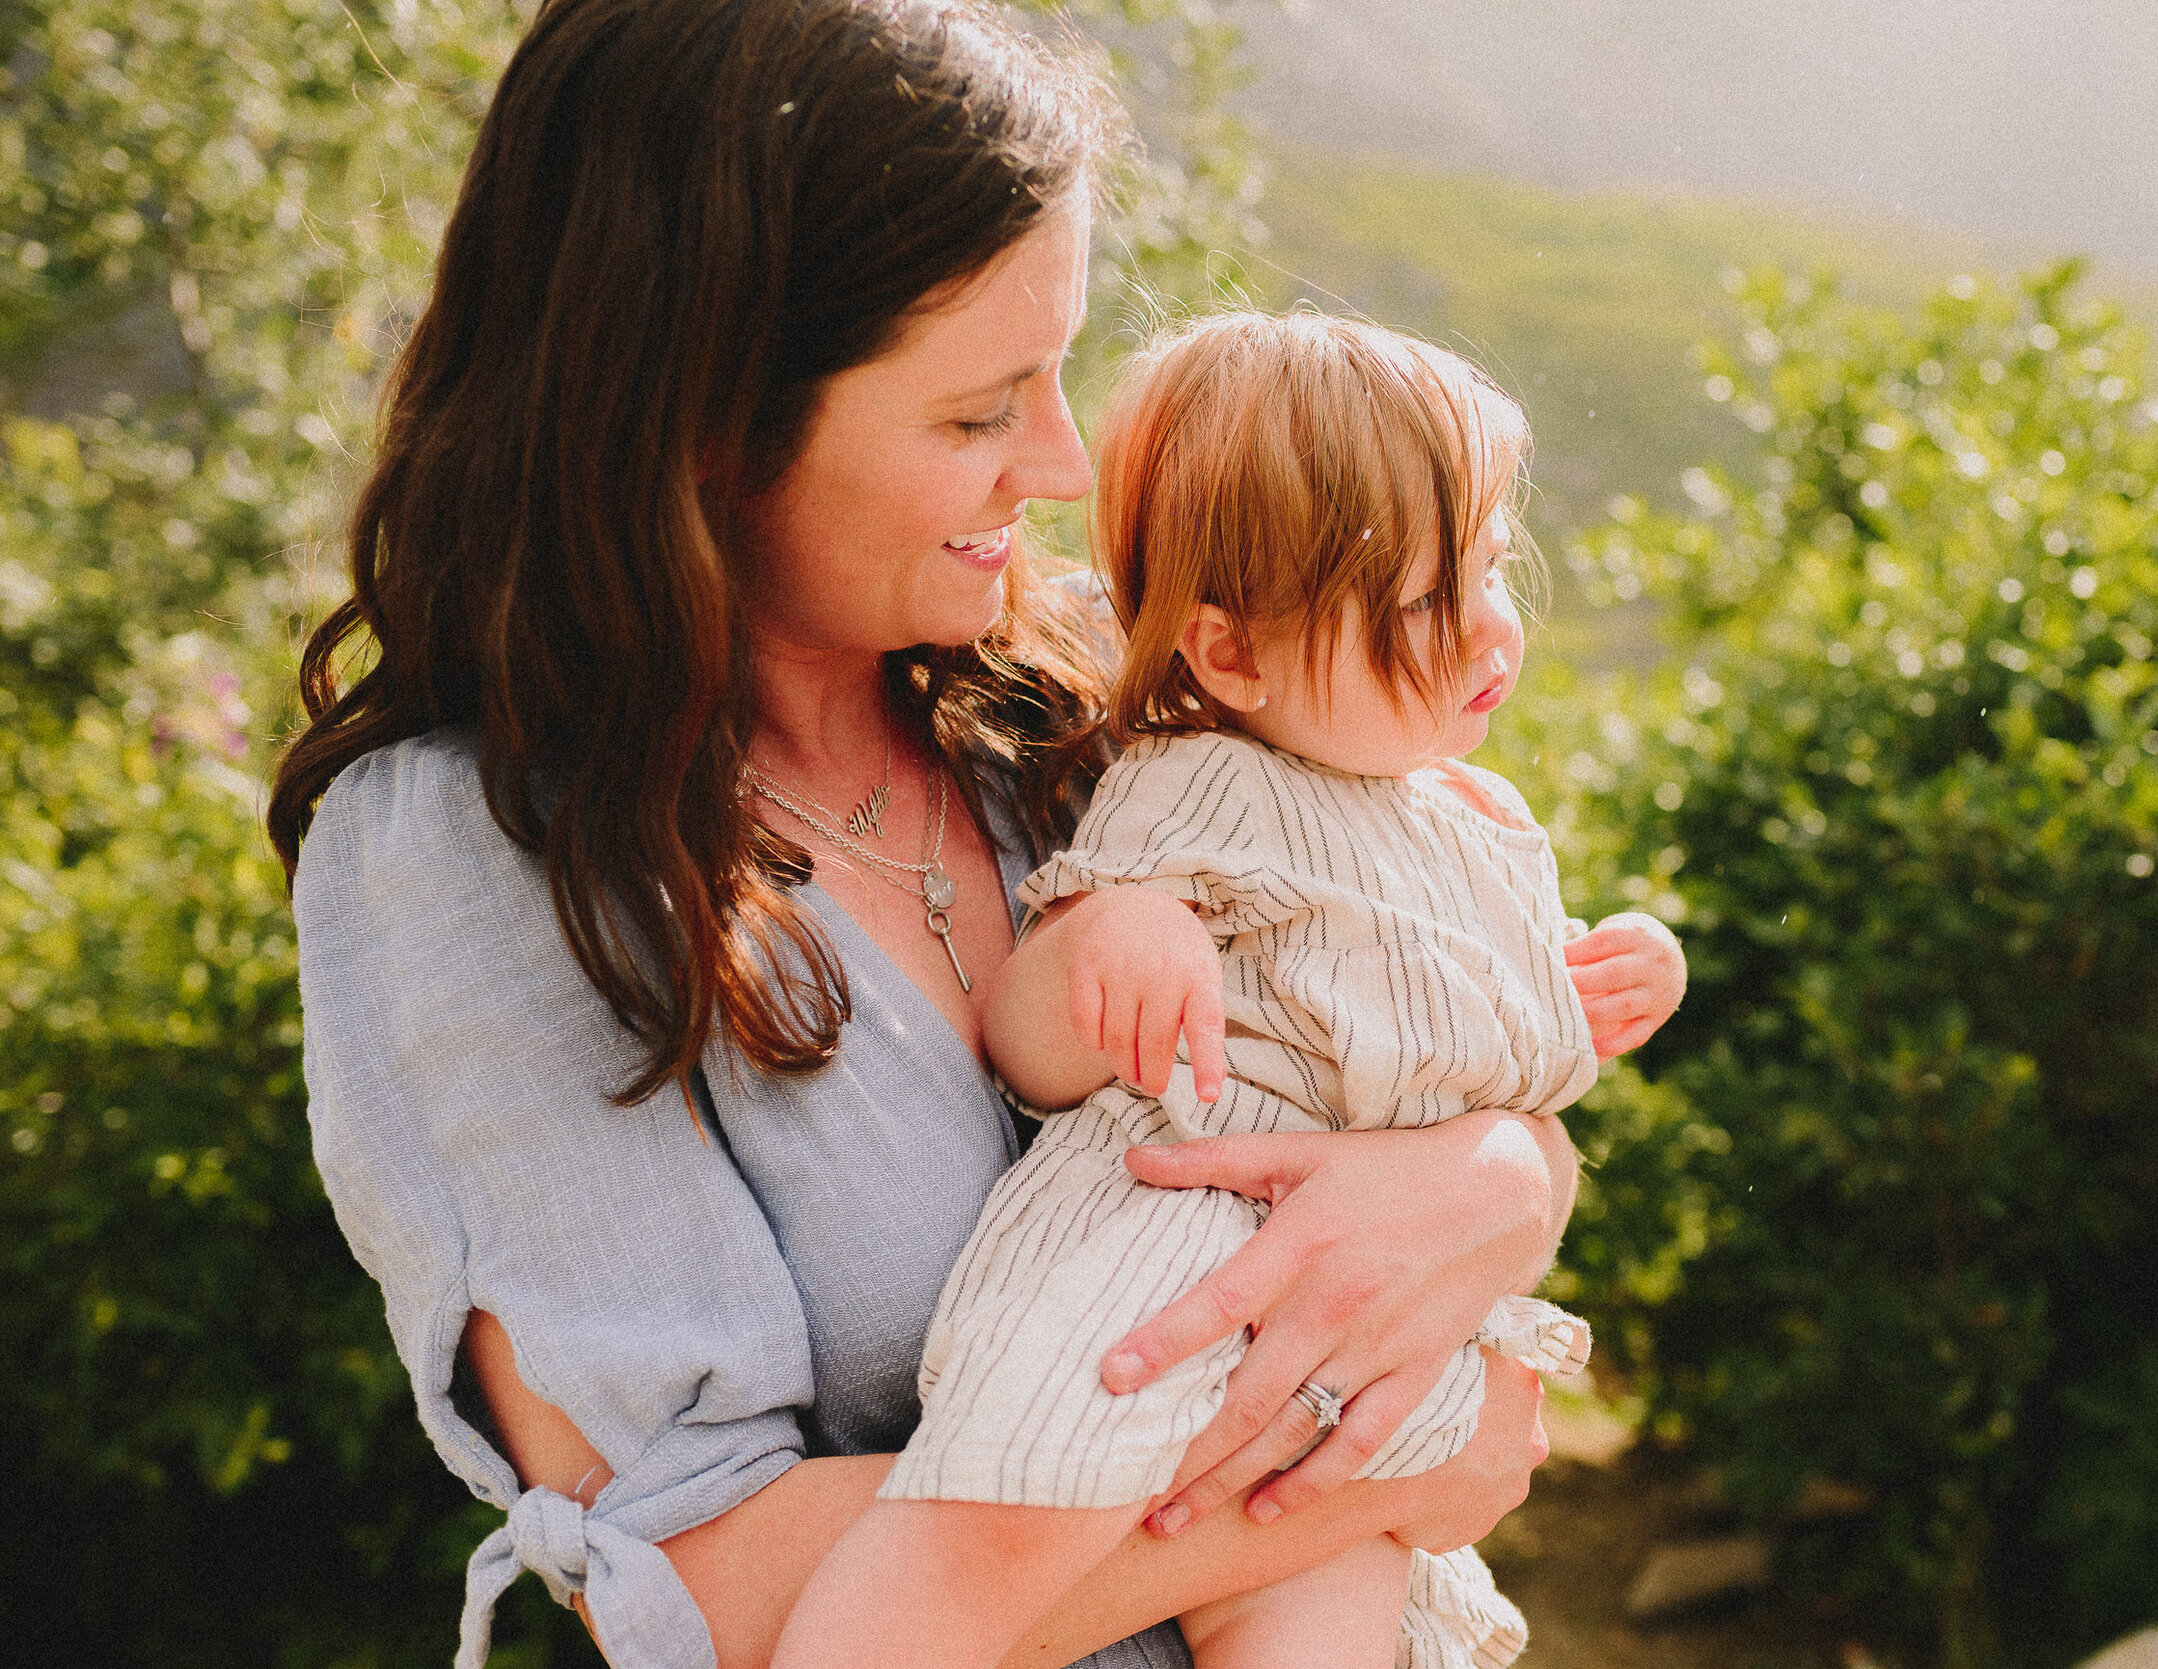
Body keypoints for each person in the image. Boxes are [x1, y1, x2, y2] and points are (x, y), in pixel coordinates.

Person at [269, 3, 1679, 1667]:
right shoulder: (478, 849)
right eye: (977, 412)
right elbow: (707, 1583)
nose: (1067, 464)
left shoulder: (1093, 703)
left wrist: (1502, 1177)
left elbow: (1402, 1006)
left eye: (1061, 371)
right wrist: (1393, 1448)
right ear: (706, 424)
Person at [766, 310, 1687, 1669]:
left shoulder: (1475, 818)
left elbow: (1472, 1028)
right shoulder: (1201, 786)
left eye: (1491, 568)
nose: (1493, 625)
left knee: (1326, 1613)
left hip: (1363, 1332)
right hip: (1154, 1278)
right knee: (977, 1534)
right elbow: (1026, 1042)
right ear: (1236, 654)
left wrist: (1607, 973)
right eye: (1428, 600)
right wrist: (1113, 944)